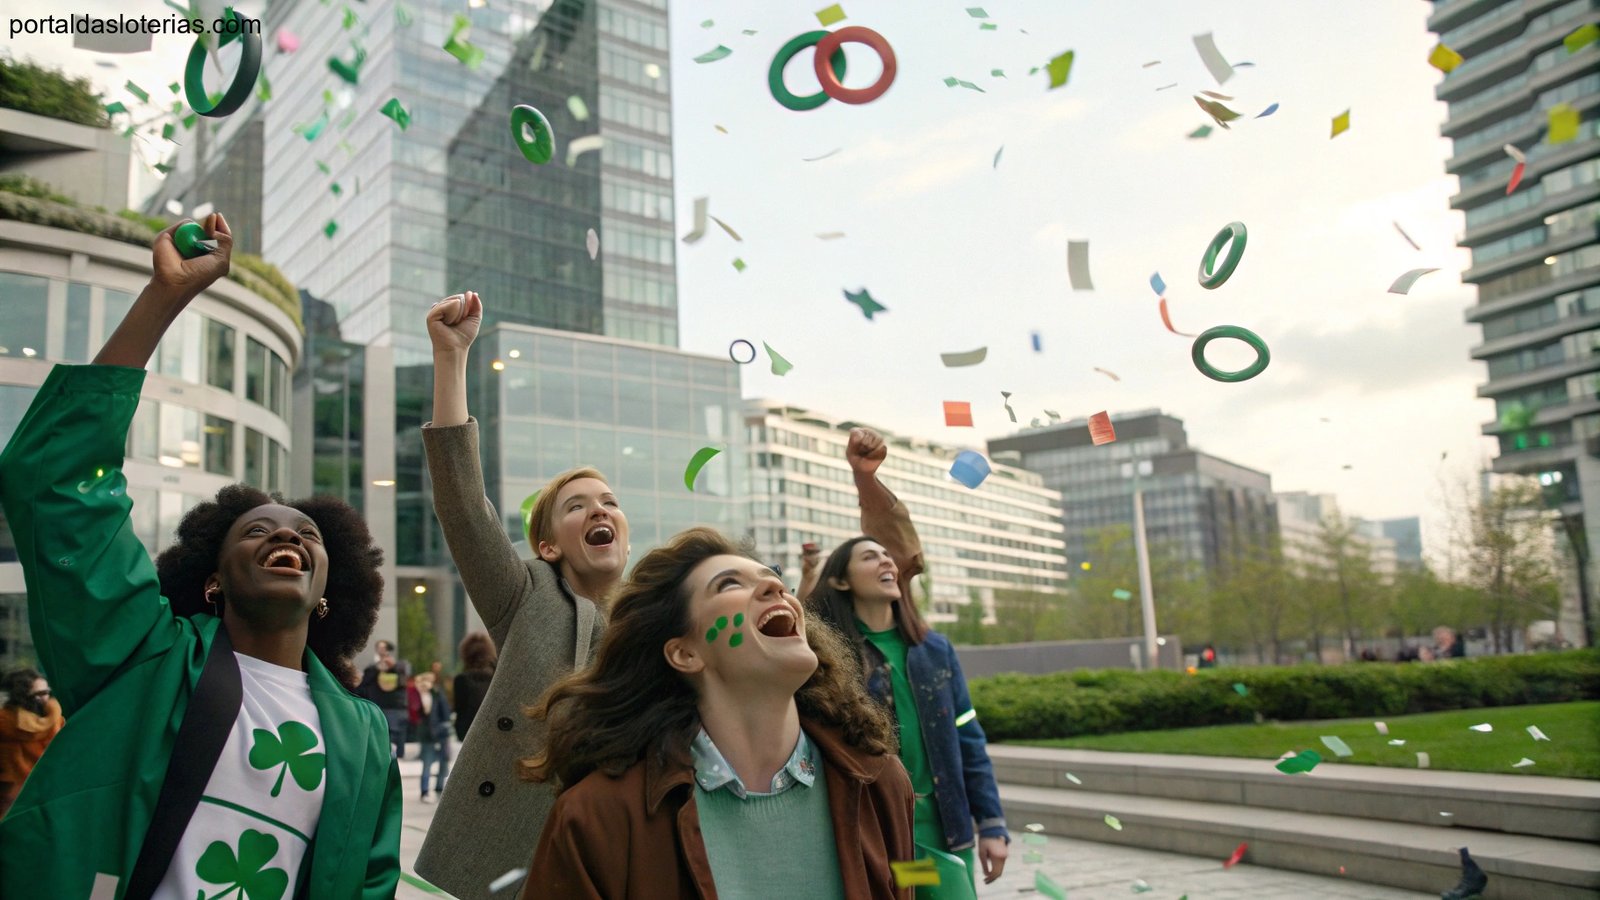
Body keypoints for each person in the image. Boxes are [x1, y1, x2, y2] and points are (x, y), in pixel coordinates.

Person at [0, 215, 400, 898]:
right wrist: (165, 297)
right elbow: (56, 485)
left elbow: (366, 881)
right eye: (257, 531)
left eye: (307, 535)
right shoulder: (142, 658)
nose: (287, 537)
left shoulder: (363, 736)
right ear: (212, 581)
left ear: (329, 592)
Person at [522, 527, 916, 899]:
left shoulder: (880, 784)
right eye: (729, 584)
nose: (776, 586)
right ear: (685, 653)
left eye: (774, 577)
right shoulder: (597, 820)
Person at [415, 291, 632, 898]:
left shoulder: (653, 622)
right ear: (548, 546)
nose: (599, 509)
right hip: (506, 853)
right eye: (577, 505)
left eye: (610, 502)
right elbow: (462, 505)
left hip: (612, 853)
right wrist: (452, 358)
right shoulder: (527, 594)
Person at [808, 427, 1010, 897]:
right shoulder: (830, 656)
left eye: (887, 557)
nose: (886, 563)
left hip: (948, 832)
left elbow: (968, 736)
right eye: (869, 557)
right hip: (879, 831)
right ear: (840, 582)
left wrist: (993, 824)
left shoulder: (933, 650)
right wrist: (862, 479)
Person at [0, 667, 64, 820]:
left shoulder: (3, 721)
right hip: (39, 792)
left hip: (16, 793)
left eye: (47, 692)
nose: (46, 698)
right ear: (23, 695)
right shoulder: (57, 721)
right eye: (40, 694)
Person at [359, 639, 412, 759]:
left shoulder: (401, 666)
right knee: (381, 738)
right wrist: (378, 669)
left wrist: (393, 668)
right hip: (379, 707)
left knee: (397, 739)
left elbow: (403, 681)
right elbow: (364, 683)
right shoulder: (372, 668)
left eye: (384, 648)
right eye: (379, 648)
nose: (382, 651)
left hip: (396, 708)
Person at [413, 672, 453, 803]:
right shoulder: (417, 697)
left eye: (428, 682)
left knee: (443, 763)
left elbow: (445, 713)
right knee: (427, 764)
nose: (425, 685)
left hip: (440, 734)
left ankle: (439, 788)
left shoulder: (437, 694)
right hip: (426, 736)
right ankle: (424, 791)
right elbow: (414, 713)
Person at [453, 631, 497, 742]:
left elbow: (460, 710)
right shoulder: (496, 678)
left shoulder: (461, 680)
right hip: (493, 732)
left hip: (469, 734)